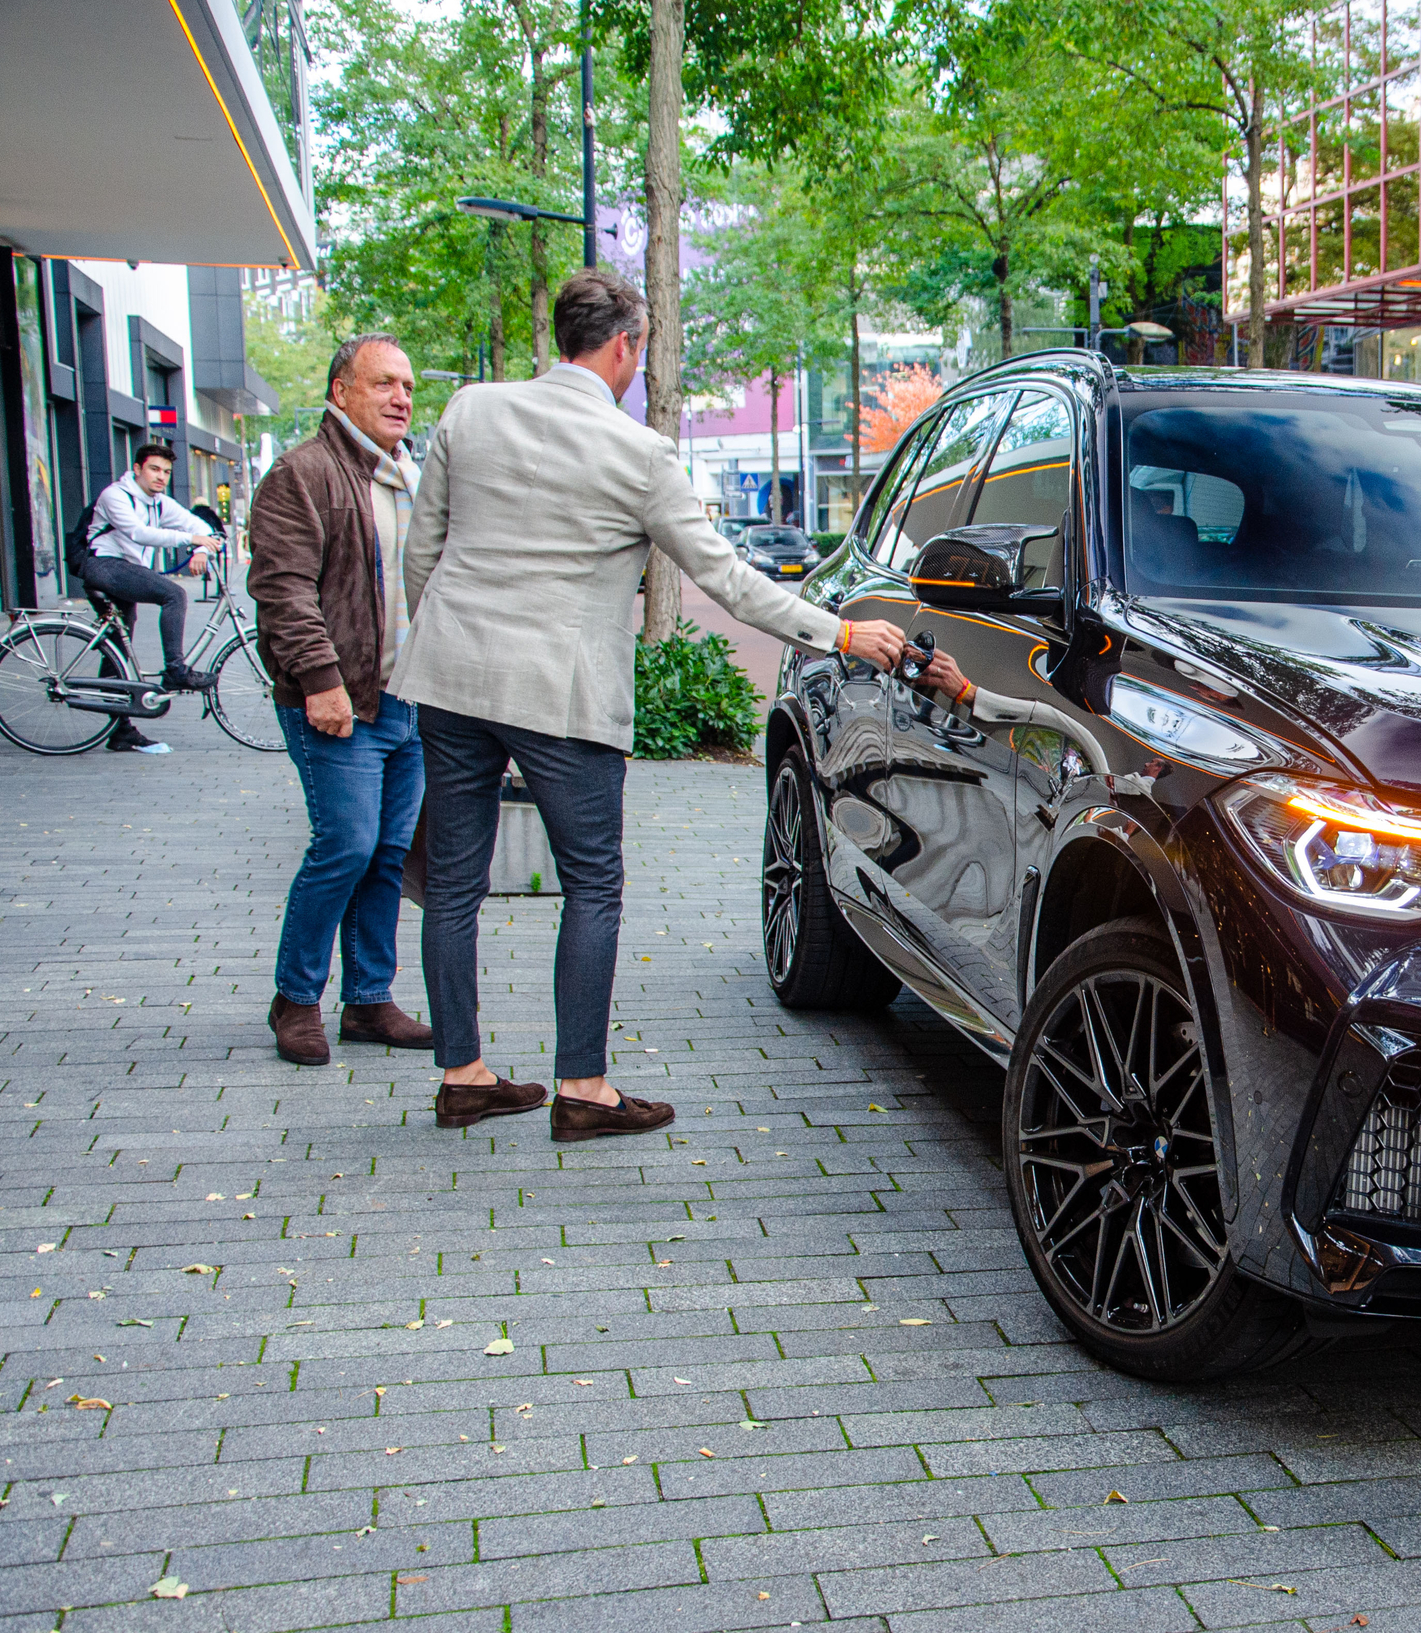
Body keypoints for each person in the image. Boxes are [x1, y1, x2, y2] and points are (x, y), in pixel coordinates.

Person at [395, 268, 963, 1142]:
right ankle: (582, 1088)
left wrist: (441, 641)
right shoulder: (638, 454)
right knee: (592, 884)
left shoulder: (470, 411)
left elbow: (422, 552)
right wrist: (844, 635)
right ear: (626, 345)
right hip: (560, 691)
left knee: (457, 885)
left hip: (450, 676)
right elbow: (730, 584)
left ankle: (462, 1076)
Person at [247, 333, 438, 1072]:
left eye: (409, 386)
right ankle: (295, 998)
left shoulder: (405, 473)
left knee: (388, 855)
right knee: (346, 845)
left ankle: (368, 1000)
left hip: (405, 700)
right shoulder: (304, 473)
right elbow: (283, 590)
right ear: (340, 392)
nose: (401, 397)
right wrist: (321, 680)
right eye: (384, 382)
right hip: (340, 701)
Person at [83, 442, 225, 754]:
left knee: (116, 651)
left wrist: (201, 547)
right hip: (103, 566)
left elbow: (198, 525)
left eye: (166, 472)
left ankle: (119, 731)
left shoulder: (160, 502)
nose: (161, 477)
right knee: (173, 593)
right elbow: (138, 533)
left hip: (126, 571)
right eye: (154, 469)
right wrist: (191, 540)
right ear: (137, 469)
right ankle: (175, 669)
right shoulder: (115, 495)